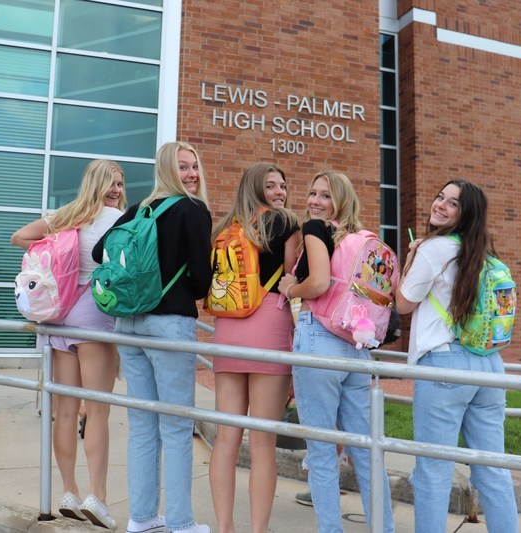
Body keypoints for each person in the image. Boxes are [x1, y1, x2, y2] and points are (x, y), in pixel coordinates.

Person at [93, 141, 212, 533]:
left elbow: (99, 253)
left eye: (194, 166)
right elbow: (200, 279)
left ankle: (142, 517)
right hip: (169, 324)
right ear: (168, 169)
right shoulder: (193, 210)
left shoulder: (137, 209)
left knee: (142, 423)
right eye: (184, 167)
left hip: (129, 323)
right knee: (177, 426)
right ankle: (180, 522)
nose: (192, 174)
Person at [394, 179, 518, 533]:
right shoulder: (485, 254)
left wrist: (412, 258)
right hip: (490, 366)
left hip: (445, 364)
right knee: (493, 469)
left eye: (452, 203)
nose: (440, 205)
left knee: (433, 472)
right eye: (440, 197)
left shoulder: (433, 250)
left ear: (467, 213)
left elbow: (403, 303)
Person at [277, 170, 395, 533]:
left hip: (320, 341)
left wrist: (290, 288)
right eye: (312, 192)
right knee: (367, 450)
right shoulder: (364, 238)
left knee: (323, 451)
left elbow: (320, 283)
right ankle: (384, 528)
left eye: (325, 195)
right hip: (355, 348)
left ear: (340, 201)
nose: (314, 201)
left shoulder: (315, 229)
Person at [11, 159, 125, 529]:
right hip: (93, 317)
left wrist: (57, 255)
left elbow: (20, 237)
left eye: (121, 183)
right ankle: (98, 497)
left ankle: (69, 491)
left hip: (59, 316)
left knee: (65, 409)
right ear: (99, 184)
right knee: (98, 410)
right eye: (112, 183)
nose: (117, 190)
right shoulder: (118, 220)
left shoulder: (66, 215)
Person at [207, 163, 300, 533]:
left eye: (283, 185)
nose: (280, 191)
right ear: (256, 189)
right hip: (269, 329)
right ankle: (257, 530)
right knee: (262, 442)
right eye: (271, 185)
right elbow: (296, 274)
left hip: (227, 333)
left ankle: (224, 526)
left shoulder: (225, 228)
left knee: (227, 436)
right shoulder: (287, 222)